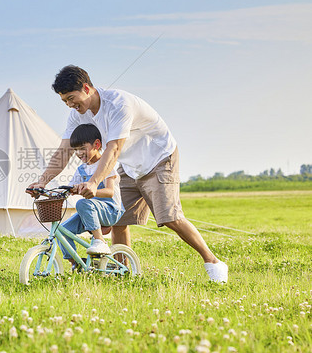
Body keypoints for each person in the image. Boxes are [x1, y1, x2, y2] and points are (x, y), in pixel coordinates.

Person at [27, 65, 228, 282]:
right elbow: (63, 151)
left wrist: (94, 182)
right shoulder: (78, 115)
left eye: (72, 98)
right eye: (64, 101)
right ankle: (121, 272)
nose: (69, 105)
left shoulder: (118, 104)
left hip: (159, 158)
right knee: (118, 218)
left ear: (86, 88)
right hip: (129, 165)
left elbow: (113, 149)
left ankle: (213, 262)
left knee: (170, 217)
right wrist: (42, 181)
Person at [56, 123, 124, 268]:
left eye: (82, 148)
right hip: (89, 210)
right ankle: (77, 264)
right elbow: (70, 188)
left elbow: (109, 192)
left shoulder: (106, 165)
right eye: (75, 150)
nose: (79, 153)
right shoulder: (81, 169)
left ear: (96, 144)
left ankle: (100, 240)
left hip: (110, 209)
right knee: (62, 231)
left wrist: (91, 191)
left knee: (82, 203)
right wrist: (55, 192)